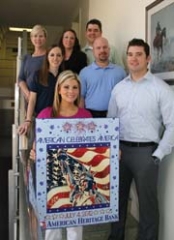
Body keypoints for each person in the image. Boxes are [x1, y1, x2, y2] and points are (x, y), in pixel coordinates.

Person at [107, 38, 174, 240]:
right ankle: (115, 237)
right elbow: (111, 122)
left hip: (146, 154)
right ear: (126, 57)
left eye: (138, 54)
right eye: (130, 54)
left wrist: (158, 154)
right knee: (116, 202)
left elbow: (172, 124)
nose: (133, 58)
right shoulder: (119, 88)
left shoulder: (161, 88)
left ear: (148, 58)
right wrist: (111, 148)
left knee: (147, 206)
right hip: (119, 153)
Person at [30, 70, 92, 240]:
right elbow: (37, 144)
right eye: (66, 87)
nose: (70, 91)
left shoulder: (86, 116)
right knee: (52, 227)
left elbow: (92, 148)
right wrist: (34, 152)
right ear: (58, 89)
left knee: (75, 225)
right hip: (52, 177)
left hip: (76, 176)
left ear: (79, 90)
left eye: (74, 87)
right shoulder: (45, 115)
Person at [18, 44, 64, 135]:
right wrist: (28, 120)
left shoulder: (64, 76)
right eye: (52, 55)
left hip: (60, 120)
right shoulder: (38, 75)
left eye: (58, 55)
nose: (55, 58)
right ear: (47, 57)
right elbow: (32, 99)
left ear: (62, 58)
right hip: (40, 118)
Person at [80, 37, 126, 118]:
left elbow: (125, 96)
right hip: (90, 115)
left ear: (109, 50)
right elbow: (81, 97)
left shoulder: (120, 71)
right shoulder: (84, 72)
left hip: (115, 115)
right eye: (98, 48)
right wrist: (81, 117)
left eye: (105, 47)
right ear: (93, 51)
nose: (102, 50)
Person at [18, 24, 47, 103]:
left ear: (45, 38)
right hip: (29, 99)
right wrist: (28, 94)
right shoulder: (26, 58)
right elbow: (20, 79)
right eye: (35, 36)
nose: (38, 38)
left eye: (41, 36)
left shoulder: (49, 56)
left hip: (44, 99)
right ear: (31, 38)